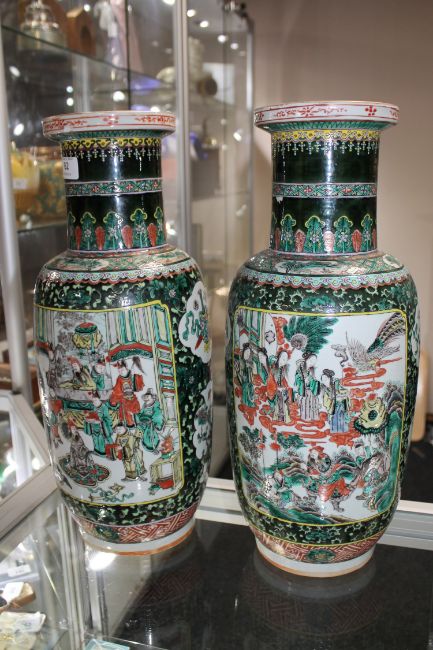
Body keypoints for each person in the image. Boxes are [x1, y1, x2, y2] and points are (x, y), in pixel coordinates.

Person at [109, 359, 144, 427]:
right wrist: (114, 401)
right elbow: (117, 391)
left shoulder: (132, 375)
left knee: (134, 413)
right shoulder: (119, 378)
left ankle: (136, 425)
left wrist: (135, 379)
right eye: (119, 371)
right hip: (124, 399)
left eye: (122, 370)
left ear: (126, 368)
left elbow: (139, 388)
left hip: (132, 399)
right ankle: (128, 426)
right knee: (125, 414)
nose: (121, 372)